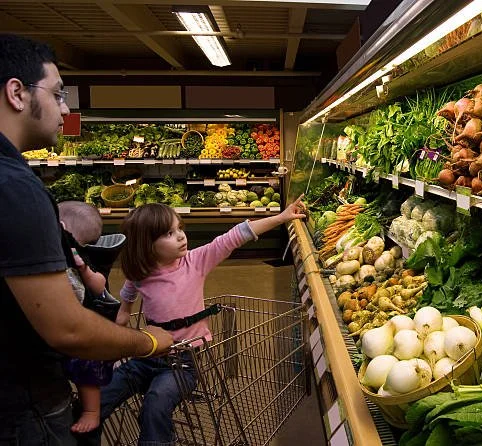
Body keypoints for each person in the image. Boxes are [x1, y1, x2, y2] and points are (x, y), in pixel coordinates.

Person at [0, 34, 174, 446]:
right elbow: (68, 330)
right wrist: (150, 340)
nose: (65, 109)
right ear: (17, 93)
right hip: (21, 408)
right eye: (58, 94)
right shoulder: (15, 188)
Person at [100, 198, 306, 444]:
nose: (180, 236)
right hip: (148, 355)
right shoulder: (142, 272)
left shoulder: (194, 262)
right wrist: (124, 311)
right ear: (147, 245)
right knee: (105, 391)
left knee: (155, 404)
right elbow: (129, 288)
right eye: (169, 233)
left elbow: (233, 237)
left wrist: (281, 218)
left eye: (180, 228)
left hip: (184, 363)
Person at [58, 201, 118, 434]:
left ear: (63, 227)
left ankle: (92, 412)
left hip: (89, 329)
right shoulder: (63, 250)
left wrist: (84, 270)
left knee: (86, 370)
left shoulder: (81, 255)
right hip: (71, 322)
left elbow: (100, 284)